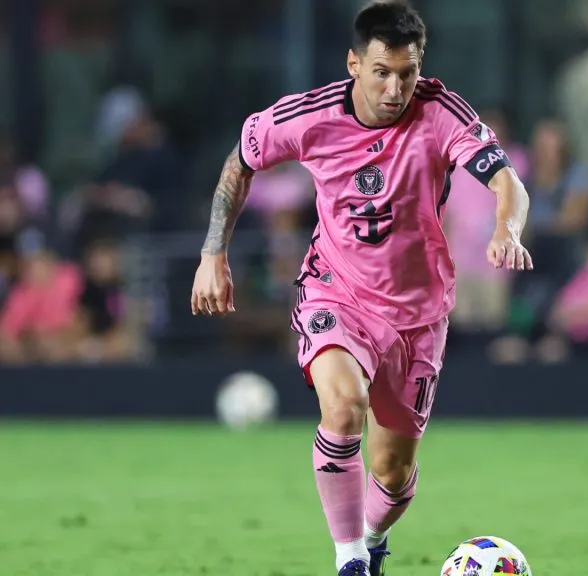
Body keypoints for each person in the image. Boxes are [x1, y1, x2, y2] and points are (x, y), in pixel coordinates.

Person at [189, 3, 533, 575]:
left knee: (393, 472)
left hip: (418, 315)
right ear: (354, 63)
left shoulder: (442, 112)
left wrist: (507, 227)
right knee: (343, 406)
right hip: (336, 291)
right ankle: (348, 559)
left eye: (408, 71)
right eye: (382, 71)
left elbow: (507, 182)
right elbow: (241, 160)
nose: (396, 87)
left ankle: (371, 540)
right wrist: (212, 253)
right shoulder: (308, 116)